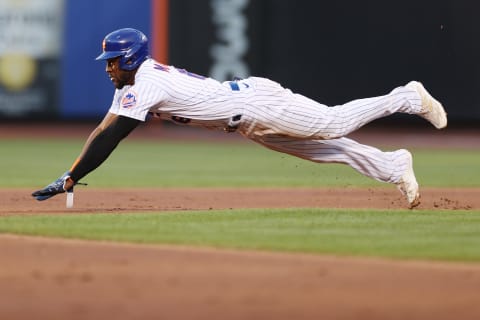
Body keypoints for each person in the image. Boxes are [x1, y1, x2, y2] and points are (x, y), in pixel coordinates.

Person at [32, 28, 447, 209]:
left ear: (133, 59)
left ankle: (406, 97)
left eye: (114, 61)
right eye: (108, 62)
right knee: (328, 151)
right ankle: (394, 166)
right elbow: (103, 128)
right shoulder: (132, 85)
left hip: (256, 103)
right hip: (247, 121)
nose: (109, 68)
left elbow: (110, 136)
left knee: (334, 124)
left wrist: (70, 177)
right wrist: (70, 172)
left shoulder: (145, 82)